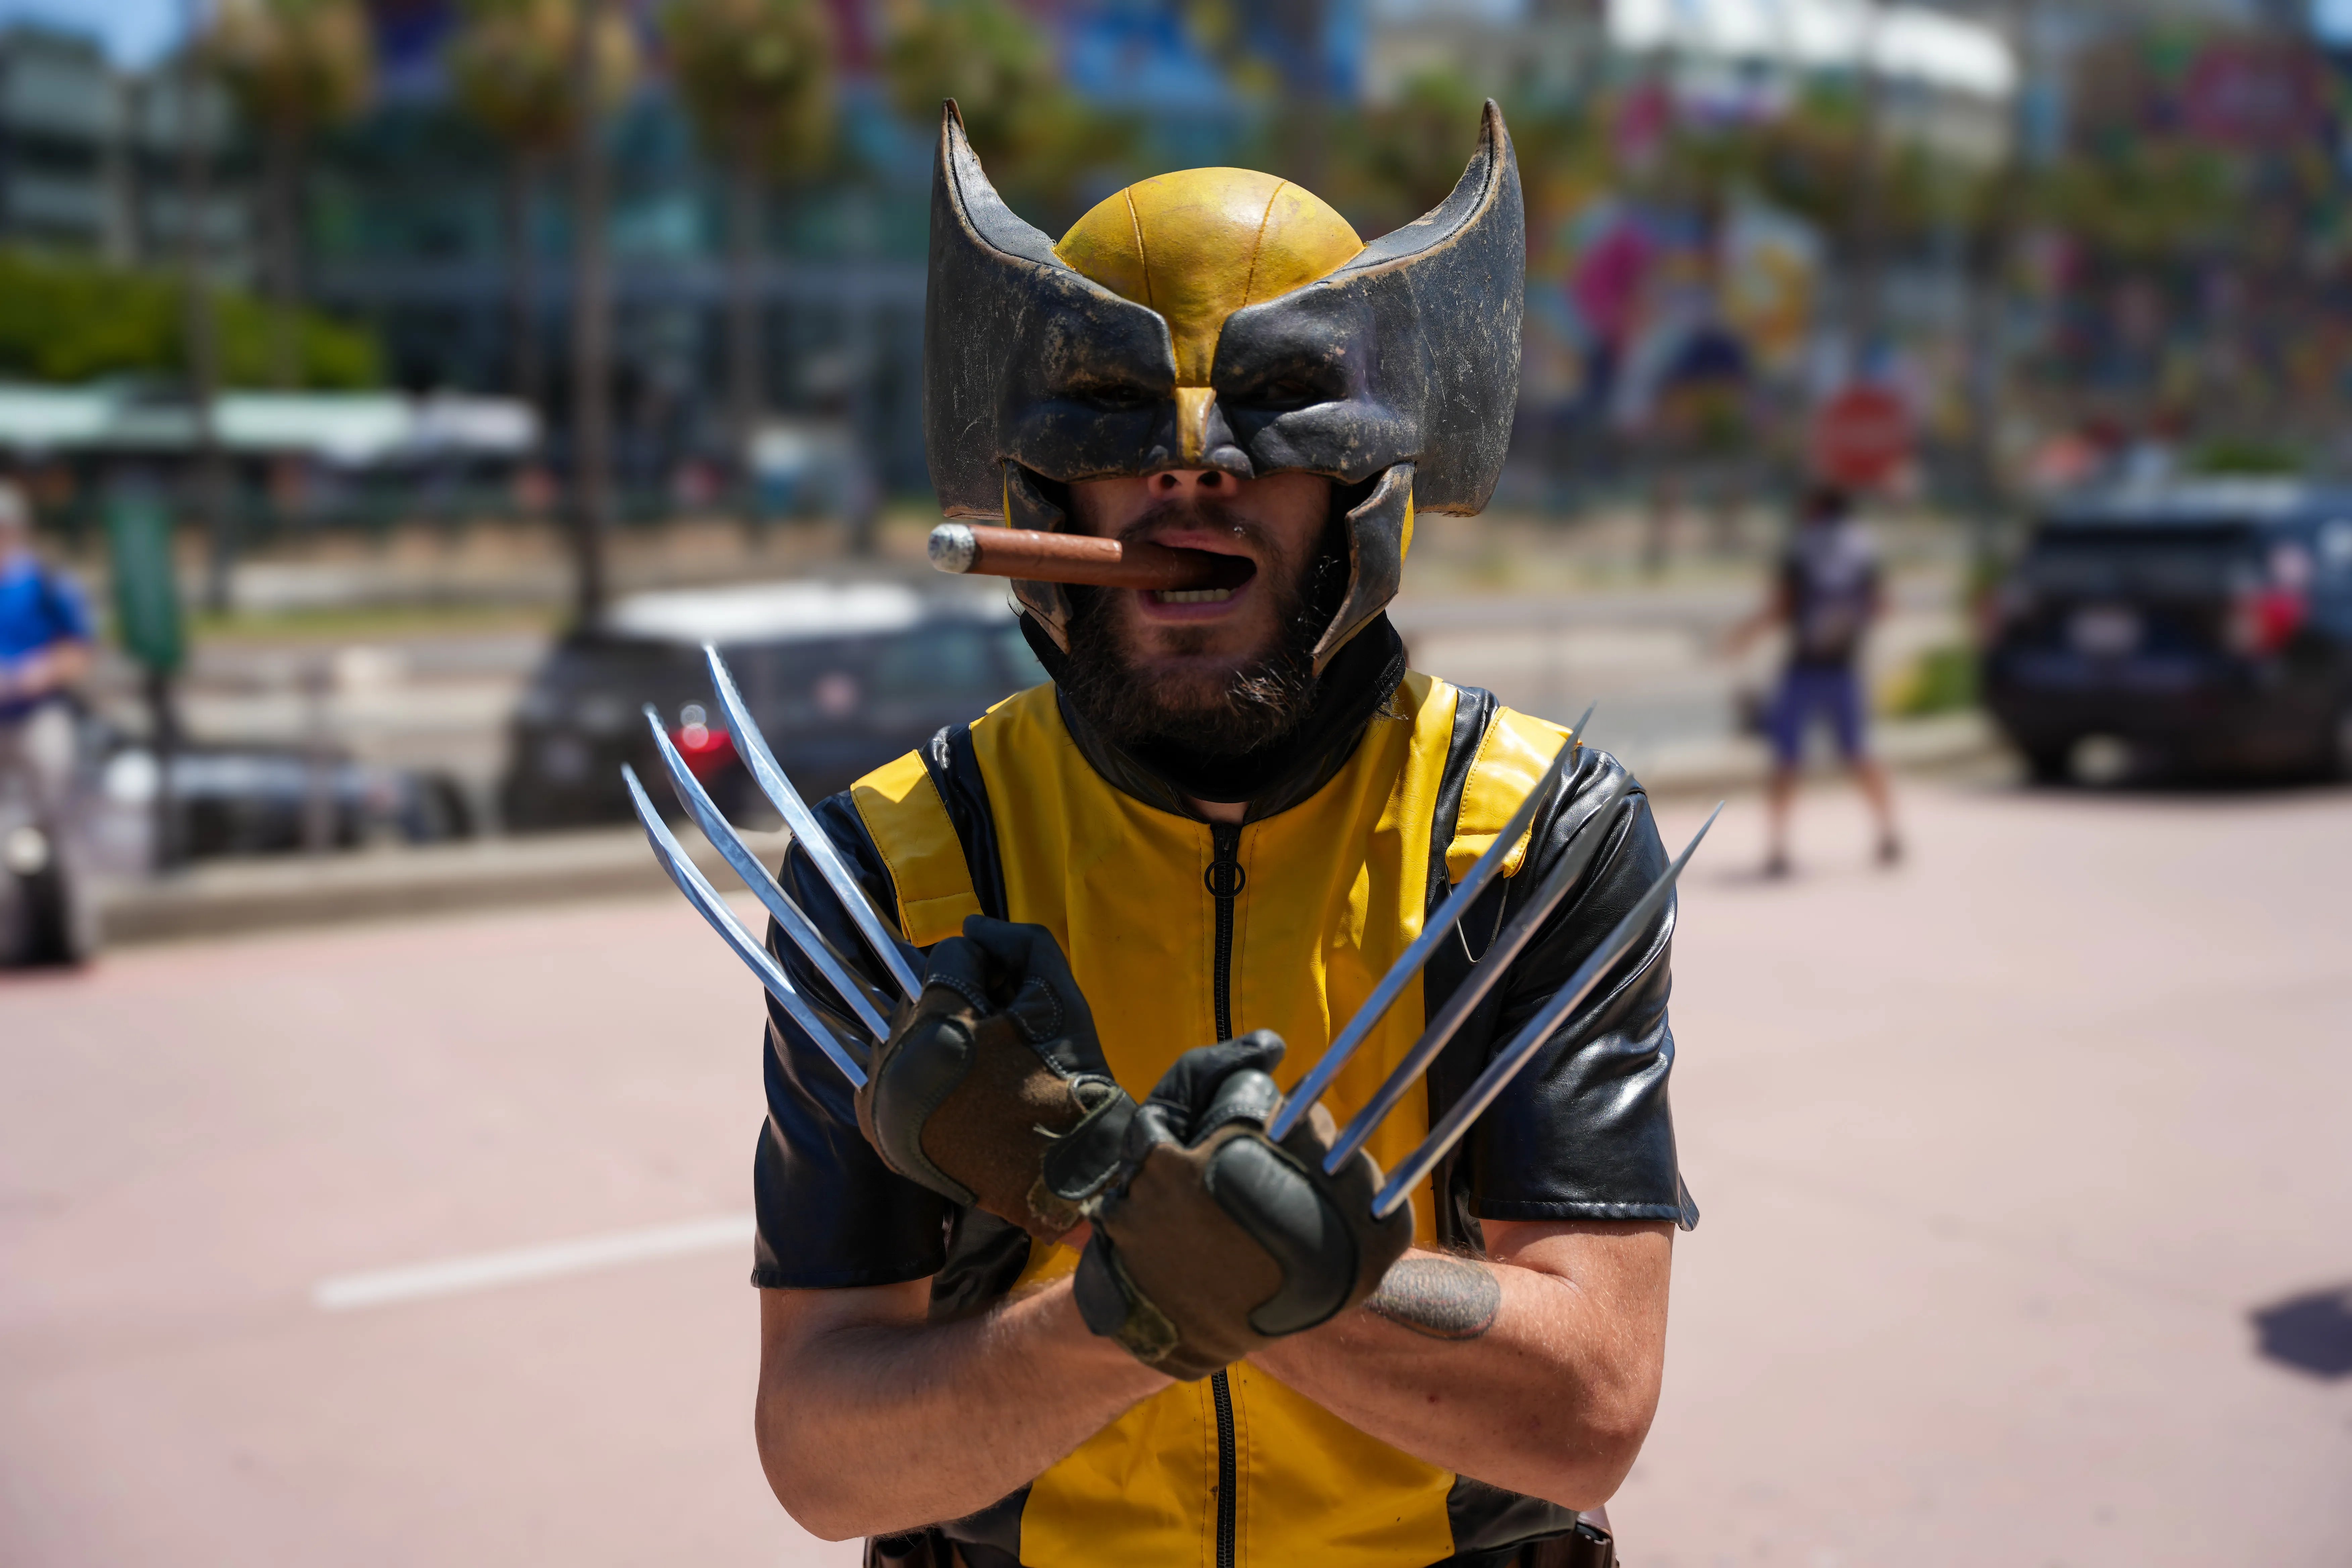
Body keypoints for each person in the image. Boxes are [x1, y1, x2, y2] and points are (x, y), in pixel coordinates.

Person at [750, 103, 1695, 1568]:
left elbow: (1588, 1410)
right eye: (1123, 431)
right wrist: (1124, 1309)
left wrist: (1292, 1275)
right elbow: (823, 1457)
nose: (1192, 483)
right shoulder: (899, 862)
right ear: (1047, 490)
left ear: (1361, 488)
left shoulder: (1530, 834)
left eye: (1270, 427)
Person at [1724, 483, 1902, 876]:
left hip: (1803, 669)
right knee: (1859, 753)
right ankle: (1889, 833)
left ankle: (1778, 849)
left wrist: (1742, 636)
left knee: (1786, 760)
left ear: (1815, 508)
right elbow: (1882, 606)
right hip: (1843, 668)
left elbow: (1781, 607)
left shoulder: (1803, 547)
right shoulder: (1861, 547)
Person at [0, 478, 94, 838]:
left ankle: (52, 879)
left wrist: (39, 673)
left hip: (36, 713)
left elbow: (79, 649)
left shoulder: (48, 581)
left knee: (51, 805)